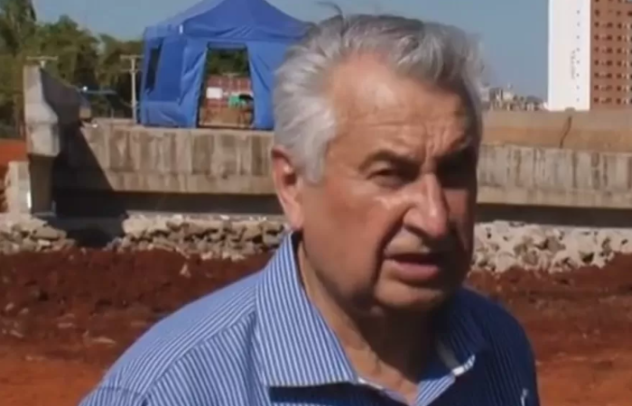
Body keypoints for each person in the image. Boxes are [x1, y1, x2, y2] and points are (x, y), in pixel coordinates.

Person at [79, 13, 539, 406]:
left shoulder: (499, 353)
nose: (434, 219)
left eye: (455, 172)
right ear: (292, 185)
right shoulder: (170, 391)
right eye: (390, 174)